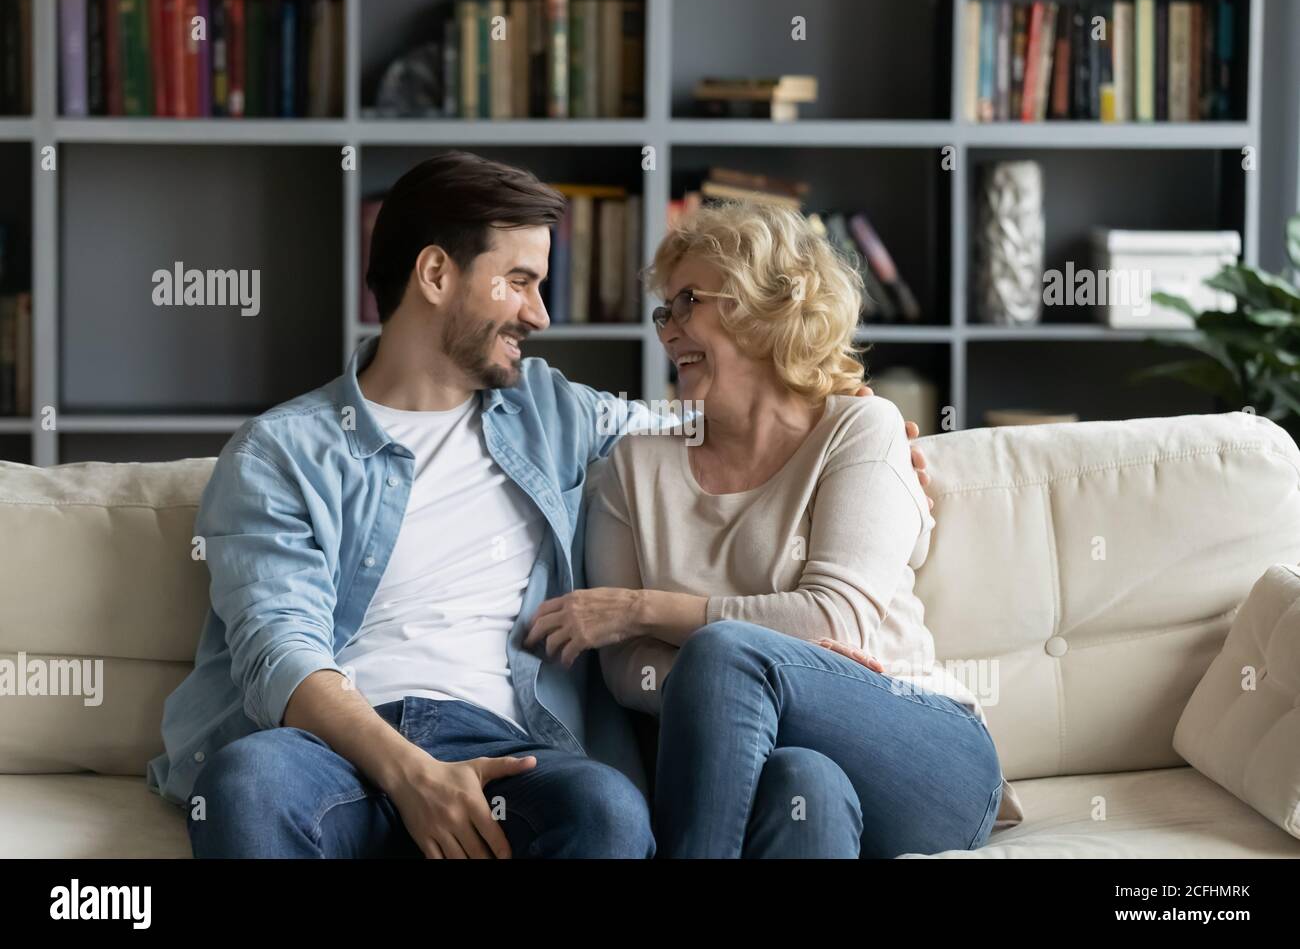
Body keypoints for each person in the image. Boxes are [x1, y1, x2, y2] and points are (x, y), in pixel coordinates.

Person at [146, 151, 932, 859]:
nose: (540, 314)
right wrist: (412, 775)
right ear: (435, 275)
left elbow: (708, 424)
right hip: (335, 749)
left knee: (609, 810)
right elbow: (278, 654)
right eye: (519, 280)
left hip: (511, 748)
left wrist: (838, 414)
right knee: (245, 783)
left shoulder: (554, 415)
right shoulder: (280, 452)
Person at [526, 201, 1025, 858]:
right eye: (662, 311)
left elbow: (835, 620)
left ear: (773, 307)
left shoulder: (860, 431)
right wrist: (760, 681)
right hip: (773, 767)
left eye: (688, 301)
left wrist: (645, 610)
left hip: (918, 749)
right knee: (804, 784)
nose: (667, 330)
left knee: (726, 651)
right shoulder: (630, 471)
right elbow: (626, 669)